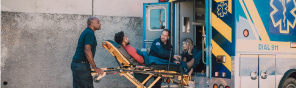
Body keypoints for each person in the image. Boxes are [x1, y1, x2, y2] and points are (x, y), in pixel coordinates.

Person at [71, 17, 104, 88]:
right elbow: (87, 50)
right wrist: (94, 67)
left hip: (77, 65)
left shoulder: (86, 32)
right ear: (92, 24)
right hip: (82, 66)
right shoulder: (90, 33)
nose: (100, 23)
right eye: (98, 22)